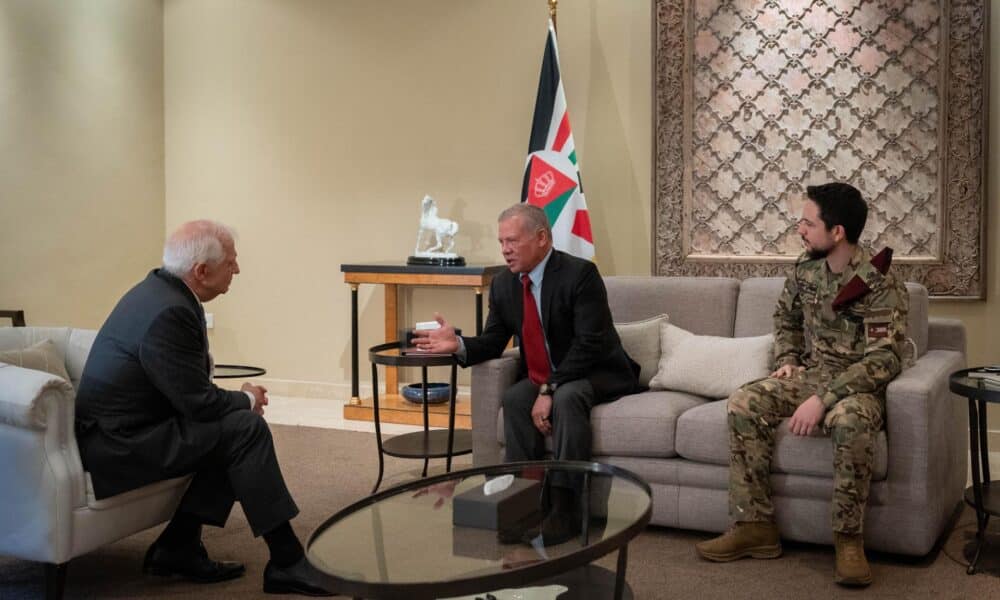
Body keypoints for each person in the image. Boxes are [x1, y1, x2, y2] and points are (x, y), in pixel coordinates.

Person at [74, 220, 333, 596]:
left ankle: (178, 546)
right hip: (121, 447)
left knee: (232, 432)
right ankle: (287, 561)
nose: (238, 269)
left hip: (129, 431)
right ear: (201, 271)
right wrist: (246, 398)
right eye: (232, 262)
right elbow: (199, 404)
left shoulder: (158, 292)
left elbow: (188, 393)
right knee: (245, 429)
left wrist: (235, 403)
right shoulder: (169, 312)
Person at [694, 183, 908, 587]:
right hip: (812, 373)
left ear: (838, 231)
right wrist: (788, 360)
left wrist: (823, 400)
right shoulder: (806, 268)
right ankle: (754, 526)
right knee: (745, 401)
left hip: (858, 385)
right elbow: (786, 319)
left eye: (809, 223)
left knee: (851, 421)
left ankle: (848, 540)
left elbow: (884, 358)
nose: (800, 229)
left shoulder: (879, 281)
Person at [412, 203, 639, 545]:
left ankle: (565, 510)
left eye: (513, 241)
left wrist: (548, 390)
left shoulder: (580, 275)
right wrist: (458, 344)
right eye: (501, 242)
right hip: (547, 376)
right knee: (516, 398)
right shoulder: (505, 285)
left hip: (598, 370)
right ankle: (522, 503)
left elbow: (589, 344)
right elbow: (492, 341)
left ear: (542, 238)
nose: (505, 250)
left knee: (568, 396)